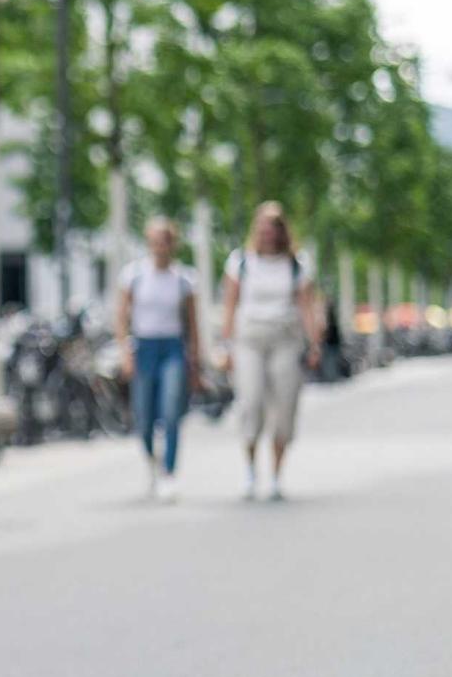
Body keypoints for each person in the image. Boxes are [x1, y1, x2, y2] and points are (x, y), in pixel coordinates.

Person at [218, 202, 323, 502]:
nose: (267, 232)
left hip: (285, 339)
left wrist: (314, 343)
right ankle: (251, 471)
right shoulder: (240, 262)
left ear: (281, 231)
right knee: (250, 403)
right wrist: (225, 346)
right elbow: (229, 306)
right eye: (263, 226)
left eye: (274, 226)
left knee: (285, 407)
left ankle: (276, 475)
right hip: (248, 339)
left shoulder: (296, 264)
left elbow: (306, 306)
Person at [114, 217, 202, 502]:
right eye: (154, 240)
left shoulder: (183, 279)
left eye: (164, 240)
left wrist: (195, 360)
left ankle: (169, 472)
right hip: (144, 347)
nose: (159, 246)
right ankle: (152, 461)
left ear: (172, 244)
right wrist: (125, 352)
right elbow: (121, 317)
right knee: (144, 415)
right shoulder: (134, 276)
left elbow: (192, 323)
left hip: (173, 348)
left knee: (171, 409)